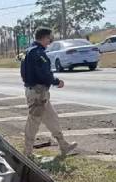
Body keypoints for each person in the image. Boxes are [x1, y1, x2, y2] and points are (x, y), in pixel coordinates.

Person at [20, 27, 77, 157]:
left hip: (37, 92)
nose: (50, 41)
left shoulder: (27, 51)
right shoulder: (38, 53)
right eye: (49, 38)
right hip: (38, 94)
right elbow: (44, 73)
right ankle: (27, 153)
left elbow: (23, 72)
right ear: (44, 37)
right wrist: (57, 82)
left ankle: (63, 145)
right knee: (33, 122)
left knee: (52, 119)